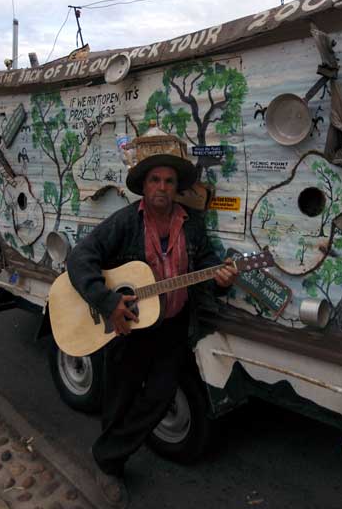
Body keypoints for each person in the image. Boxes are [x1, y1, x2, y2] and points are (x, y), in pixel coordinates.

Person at [66, 132, 237, 508]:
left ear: (177, 187)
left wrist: (220, 278)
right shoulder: (125, 222)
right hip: (127, 329)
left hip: (172, 329)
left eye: (169, 181)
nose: (162, 187)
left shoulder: (191, 224)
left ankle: (106, 452)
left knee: (159, 399)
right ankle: (109, 466)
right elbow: (80, 258)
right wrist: (108, 301)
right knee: (119, 398)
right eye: (155, 180)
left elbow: (206, 262)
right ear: (144, 185)